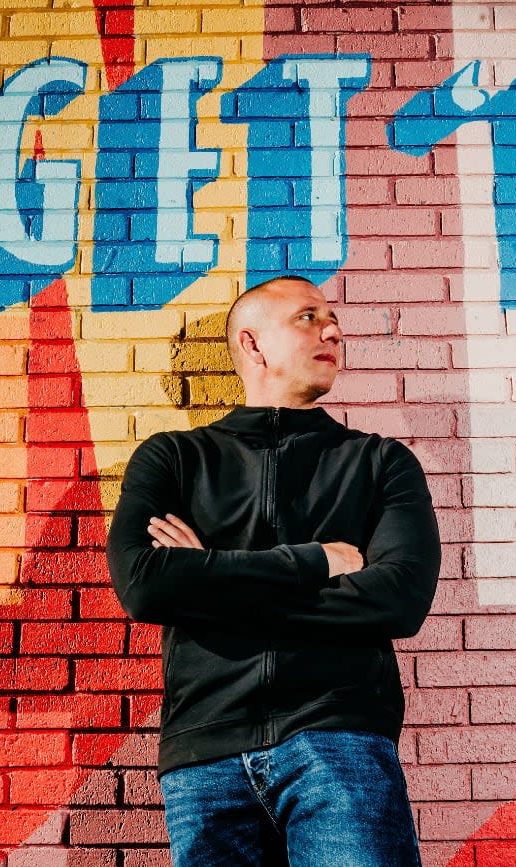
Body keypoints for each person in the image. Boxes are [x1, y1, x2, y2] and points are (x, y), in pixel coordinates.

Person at [105, 275, 441, 867]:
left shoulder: (381, 462)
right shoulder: (173, 459)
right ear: (252, 344)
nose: (333, 329)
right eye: (308, 317)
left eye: (332, 318)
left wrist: (203, 579)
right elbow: (144, 586)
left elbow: (399, 600)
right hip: (205, 755)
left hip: (339, 741)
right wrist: (318, 562)